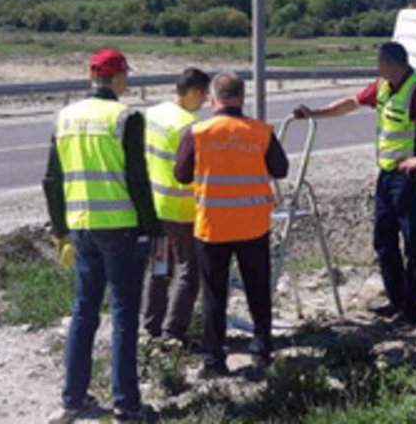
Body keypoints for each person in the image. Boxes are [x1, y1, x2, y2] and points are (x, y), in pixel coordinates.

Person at [293, 42, 416, 325]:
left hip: (410, 178)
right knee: (384, 238)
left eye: (379, 63)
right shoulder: (382, 86)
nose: (376, 68)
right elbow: (350, 104)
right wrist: (314, 113)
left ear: (391, 63)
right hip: (387, 175)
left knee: (413, 242)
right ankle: (397, 299)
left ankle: (413, 308)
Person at [43, 48, 161, 423]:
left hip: (81, 226)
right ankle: (127, 405)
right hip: (122, 228)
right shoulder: (126, 117)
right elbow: (138, 180)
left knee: (84, 311)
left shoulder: (65, 117)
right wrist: (153, 229)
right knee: (125, 315)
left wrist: (61, 229)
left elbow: (51, 180)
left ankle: (73, 399)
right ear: (118, 78)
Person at [173, 72, 289, 377]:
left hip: (213, 227)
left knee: (214, 295)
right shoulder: (260, 131)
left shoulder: (198, 132)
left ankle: (214, 360)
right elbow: (281, 168)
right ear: (241, 98)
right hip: (253, 225)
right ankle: (262, 351)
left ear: (213, 100)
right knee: (258, 291)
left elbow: (182, 174)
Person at [141, 68, 211, 344]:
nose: (205, 101)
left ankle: (151, 325)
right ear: (194, 92)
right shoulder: (189, 126)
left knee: (159, 268)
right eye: (204, 95)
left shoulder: (154, 113)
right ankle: (173, 332)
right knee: (188, 271)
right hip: (181, 210)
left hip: (155, 207)